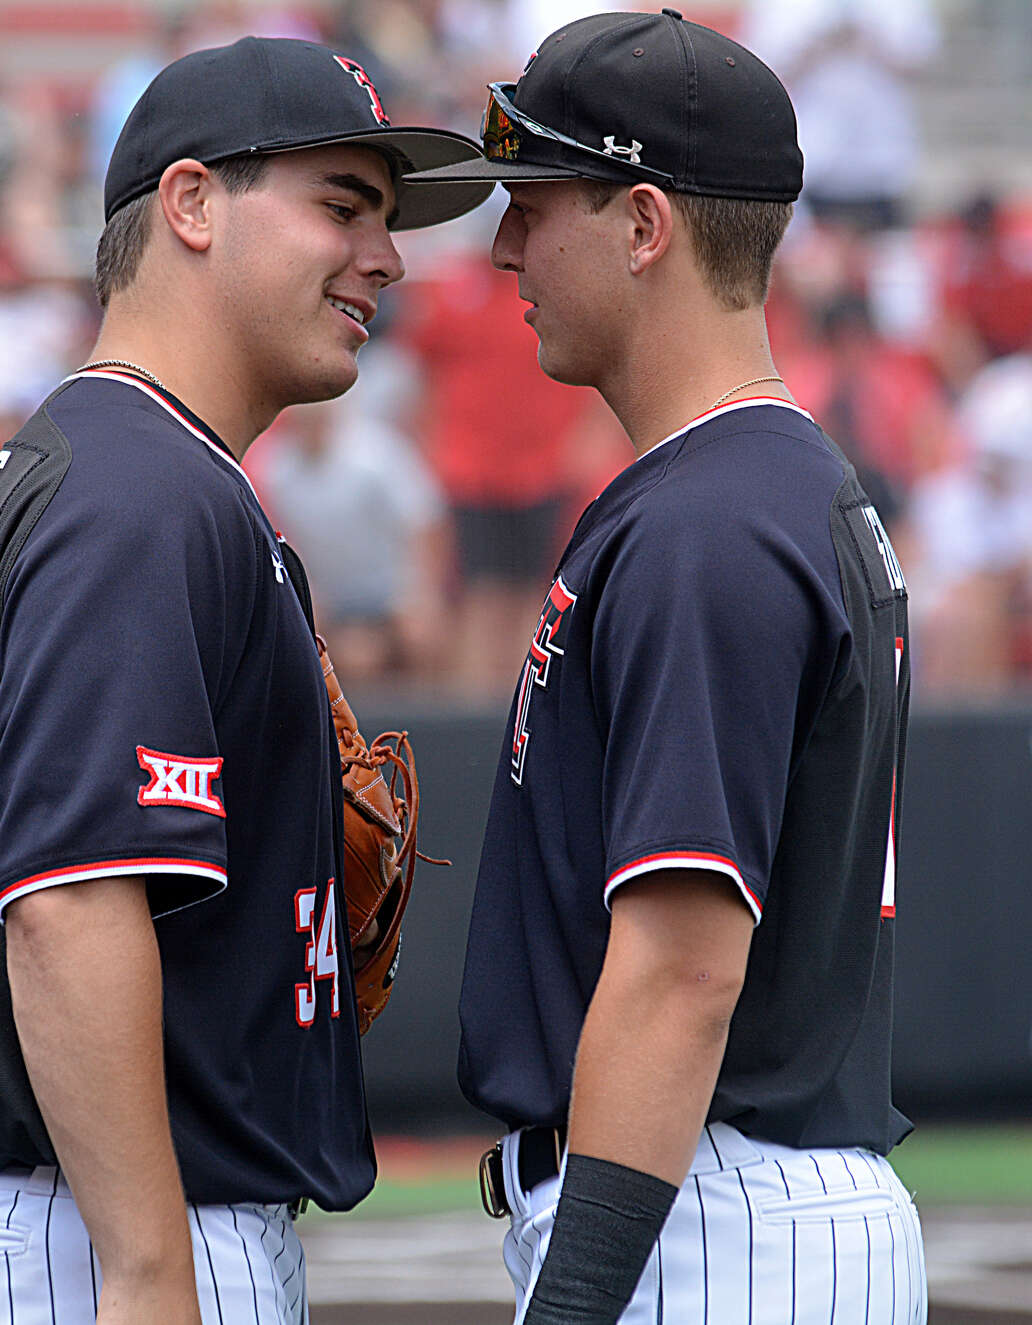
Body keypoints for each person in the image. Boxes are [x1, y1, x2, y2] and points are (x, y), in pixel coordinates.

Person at [0, 35, 489, 1325]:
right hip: (101, 1235)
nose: (386, 256)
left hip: (75, 1220)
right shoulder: (140, 490)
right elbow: (69, 905)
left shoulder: (121, 463)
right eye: (342, 205)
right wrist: (150, 1274)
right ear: (193, 204)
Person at [406, 10, 926, 1323]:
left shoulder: (711, 526)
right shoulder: (752, 486)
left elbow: (685, 971)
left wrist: (576, 1297)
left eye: (536, 200)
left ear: (644, 226)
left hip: (707, 1223)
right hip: (727, 1206)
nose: (505, 243)